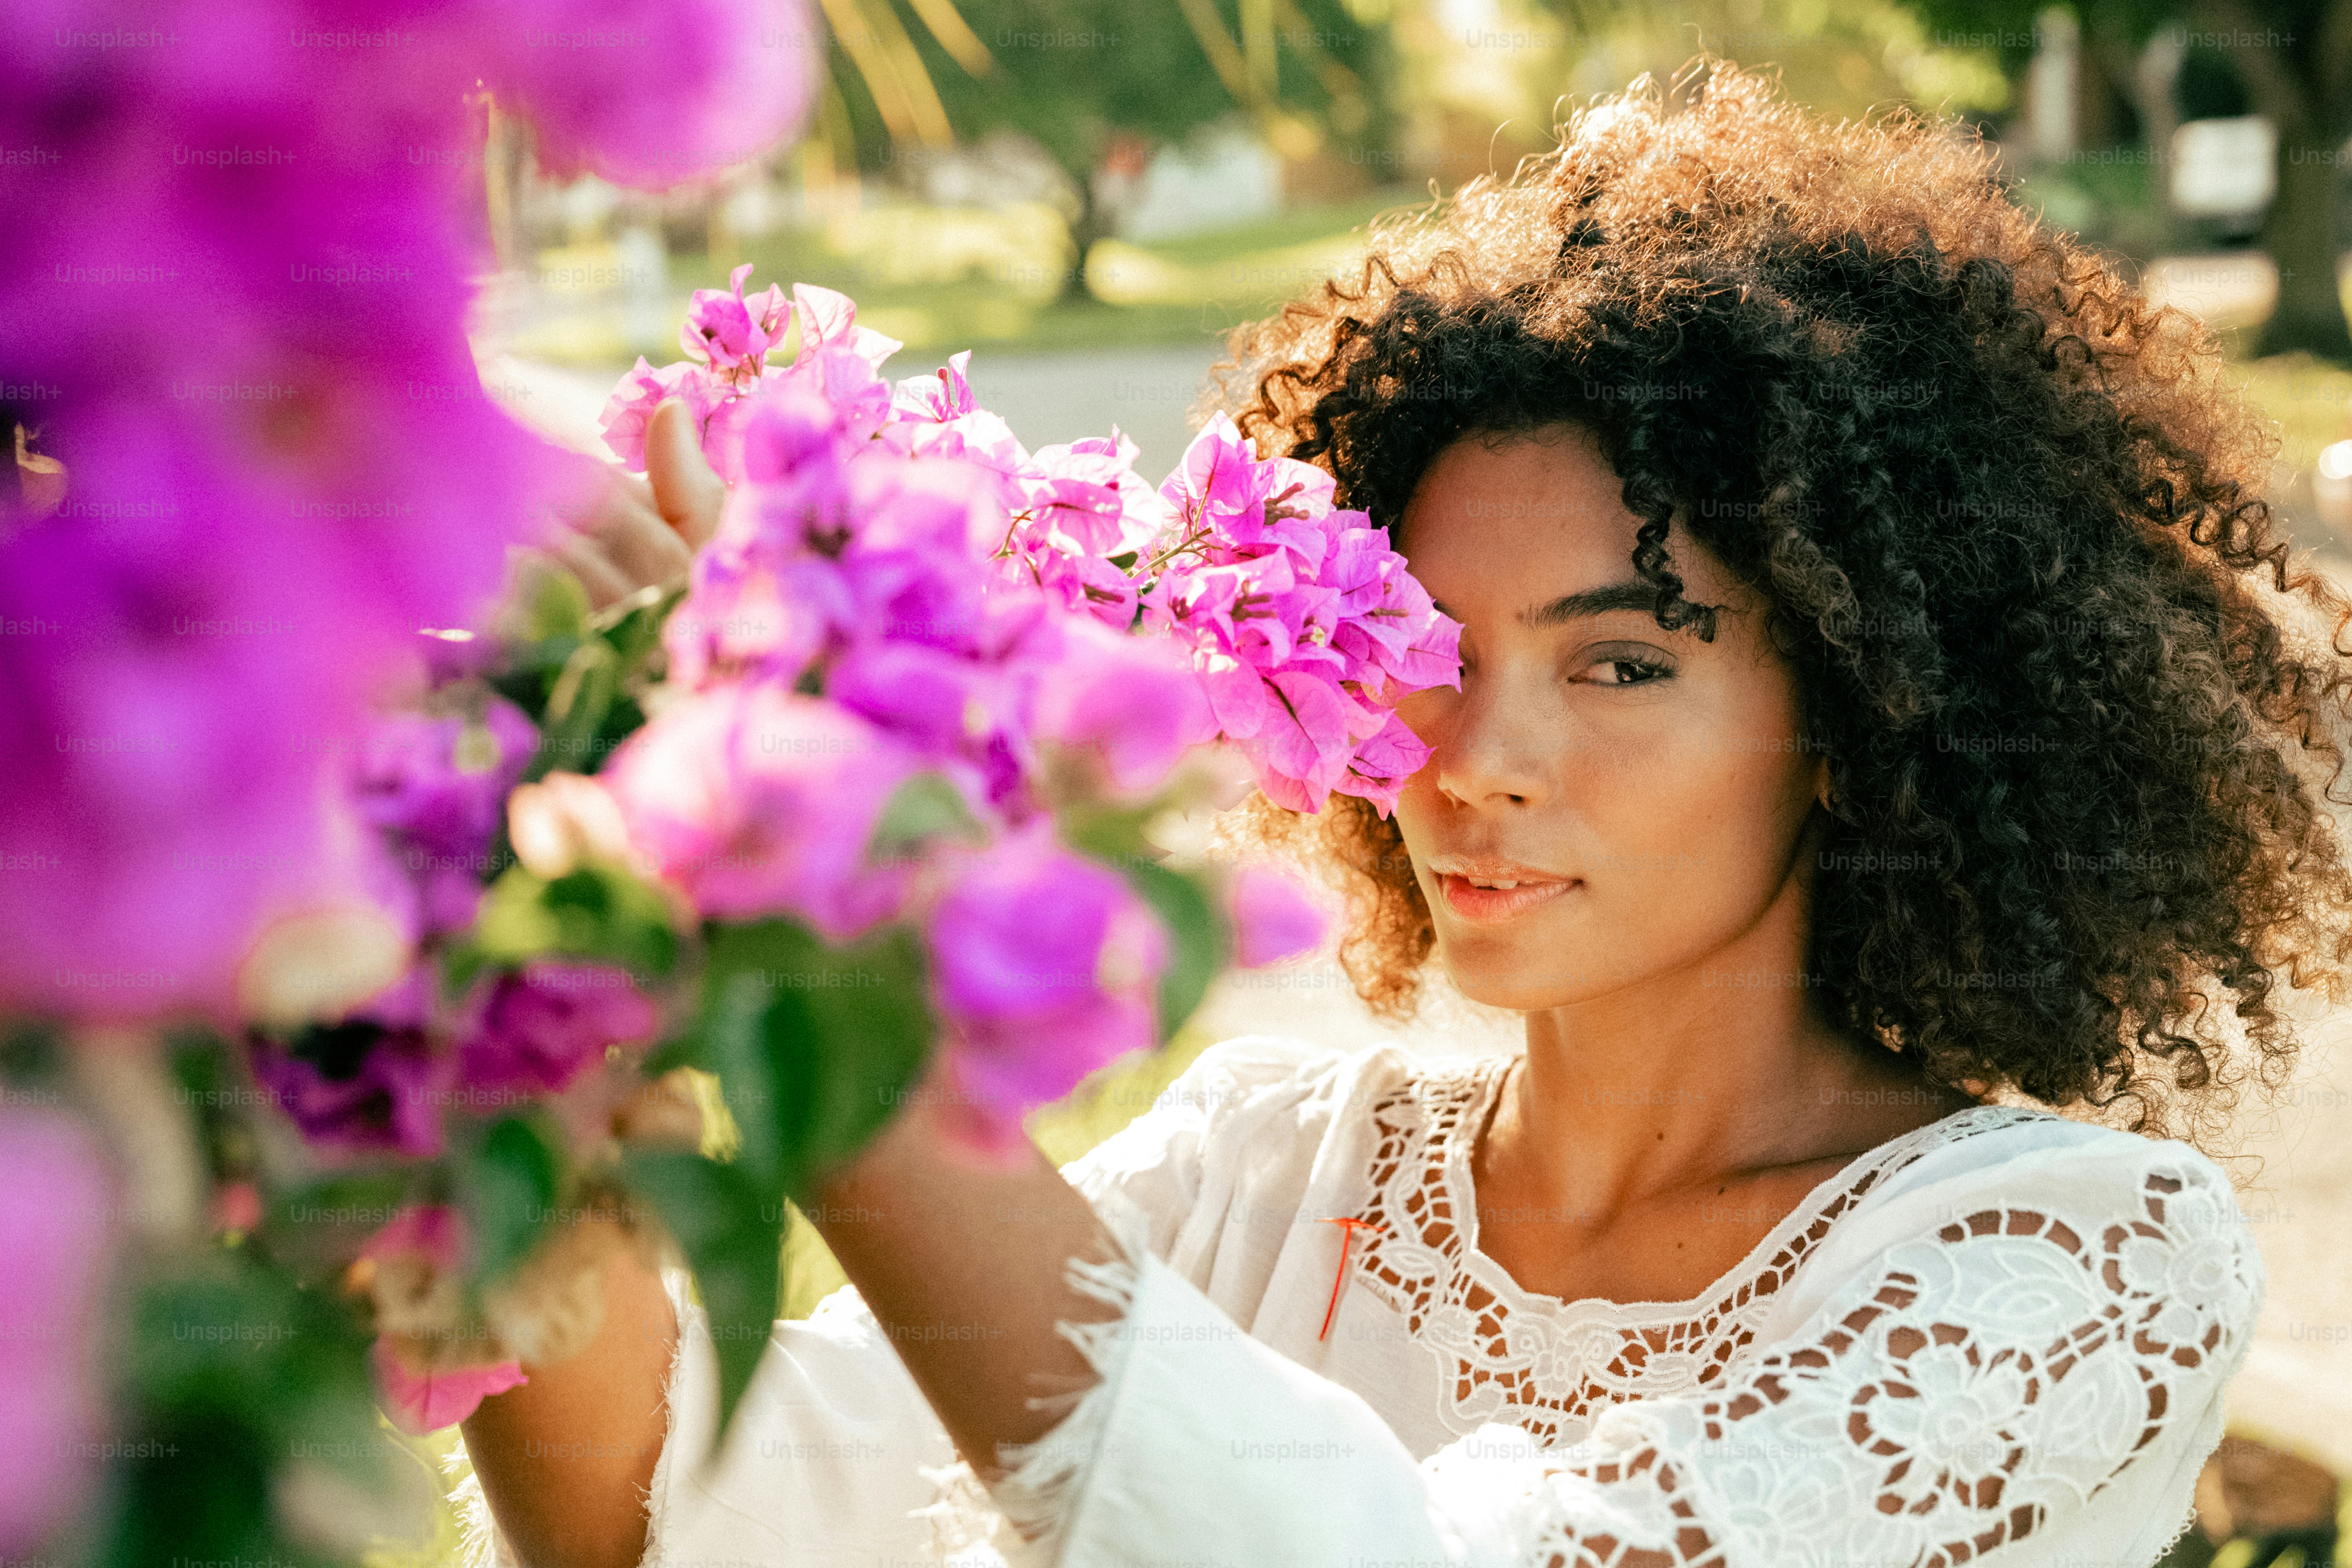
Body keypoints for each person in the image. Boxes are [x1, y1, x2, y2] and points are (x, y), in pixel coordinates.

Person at [457, 61, 2352, 1568]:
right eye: (1430, 651)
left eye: (1621, 662)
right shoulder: (1260, 1177)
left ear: (1859, 720)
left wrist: (821, 934)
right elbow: (669, 1520)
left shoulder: (2076, 1259)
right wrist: (485, 970)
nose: (1478, 753)